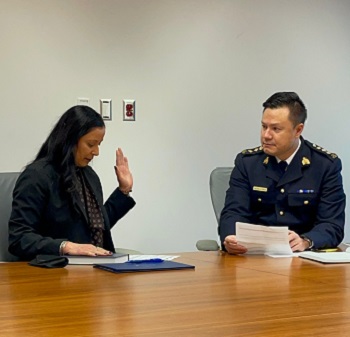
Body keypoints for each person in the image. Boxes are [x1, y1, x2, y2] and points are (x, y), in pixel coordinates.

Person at [219, 92, 345, 255]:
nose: (266, 135)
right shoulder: (248, 162)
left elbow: (332, 224)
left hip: (304, 260)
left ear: (298, 130)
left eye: (276, 129)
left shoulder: (325, 165)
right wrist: (230, 237)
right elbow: (234, 211)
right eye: (264, 126)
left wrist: (306, 241)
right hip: (254, 257)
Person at [8, 105, 136, 260]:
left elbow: (96, 226)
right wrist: (66, 246)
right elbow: (19, 238)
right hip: (56, 271)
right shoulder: (37, 176)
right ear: (70, 139)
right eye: (90, 144)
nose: (96, 152)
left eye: (98, 144)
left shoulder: (89, 175)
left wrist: (124, 189)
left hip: (95, 269)